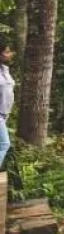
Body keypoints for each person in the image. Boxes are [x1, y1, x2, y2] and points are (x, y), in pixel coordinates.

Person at [0, 41, 13, 170]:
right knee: (4, 144)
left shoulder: (5, 69)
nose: (9, 54)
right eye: (7, 52)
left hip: (4, 114)